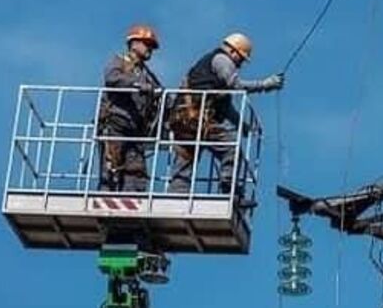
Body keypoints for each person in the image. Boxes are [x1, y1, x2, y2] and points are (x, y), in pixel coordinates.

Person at [168, 32, 283, 196]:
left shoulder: (212, 70)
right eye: (241, 59)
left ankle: (176, 195)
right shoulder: (222, 60)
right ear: (234, 51)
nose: (240, 64)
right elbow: (236, 85)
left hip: (184, 119)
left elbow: (225, 106)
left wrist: (241, 125)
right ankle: (229, 190)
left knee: (185, 159)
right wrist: (265, 85)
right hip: (197, 119)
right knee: (231, 149)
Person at [97, 24, 164, 193]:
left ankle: (132, 206)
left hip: (135, 131)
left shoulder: (147, 74)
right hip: (115, 124)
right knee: (111, 171)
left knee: (136, 174)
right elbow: (112, 79)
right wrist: (135, 84)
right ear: (134, 43)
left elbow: (161, 94)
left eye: (151, 46)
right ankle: (106, 207)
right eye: (146, 43)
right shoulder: (119, 61)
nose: (150, 49)